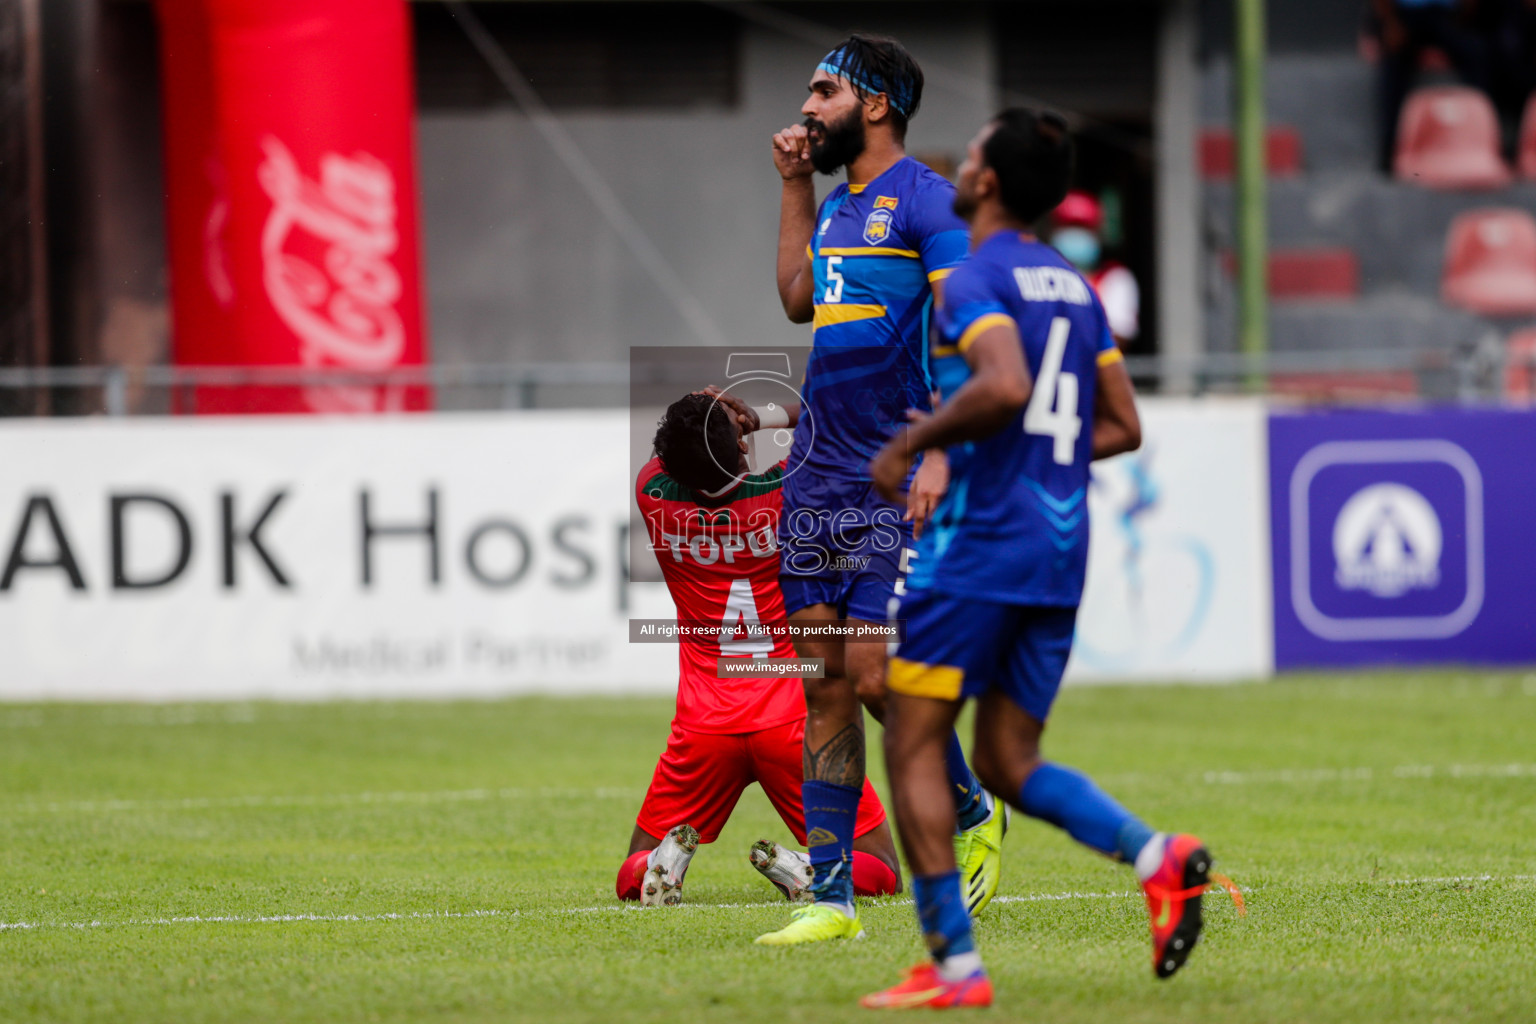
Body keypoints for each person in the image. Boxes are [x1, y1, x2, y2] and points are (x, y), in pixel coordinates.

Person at [862, 109, 1240, 1010]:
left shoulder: (971, 279)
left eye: (977, 148)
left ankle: (954, 967)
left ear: (987, 181)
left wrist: (914, 441)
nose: (967, 155)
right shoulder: (1073, 285)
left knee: (912, 738)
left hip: (980, 545)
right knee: (1005, 759)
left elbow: (1003, 385)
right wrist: (1039, 460)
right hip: (1060, 548)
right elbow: (1122, 424)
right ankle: (1161, 857)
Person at [754, 34, 1005, 947]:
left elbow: (969, 330)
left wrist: (941, 453)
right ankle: (830, 899)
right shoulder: (832, 208)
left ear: (875, 105)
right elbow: (795, 301)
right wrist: (790, 187)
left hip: (892, 473)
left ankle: (973, 807)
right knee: (822, 683)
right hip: (817, 475)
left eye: (822, 90)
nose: (806, 107)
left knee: (870, 675)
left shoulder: (929, 201)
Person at [619, 392, 901, 908]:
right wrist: (759, 415)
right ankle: (807, 868)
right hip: (792, 714)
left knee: (631, 875)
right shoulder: (790, 493)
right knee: (880, 868)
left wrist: (709, 423)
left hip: (705, 721)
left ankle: (663, 862)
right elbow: (828, 410)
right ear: (743, 449)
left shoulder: (653, 493)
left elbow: (676, 452)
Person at [1373, 0, 1494, 173]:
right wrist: (1390, 22)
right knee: (1393, 63)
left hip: (1444, 15)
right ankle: (1389, 146)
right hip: (1405, 16)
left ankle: (1486, 138)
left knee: (1478, 53)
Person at [1050, 190, 1139, 346]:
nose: (1075, 234)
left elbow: (1118, 338)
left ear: (1097, 232)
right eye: (1069, 226)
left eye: (1083, 227)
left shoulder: (1114, 277)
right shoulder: (1042, 272)